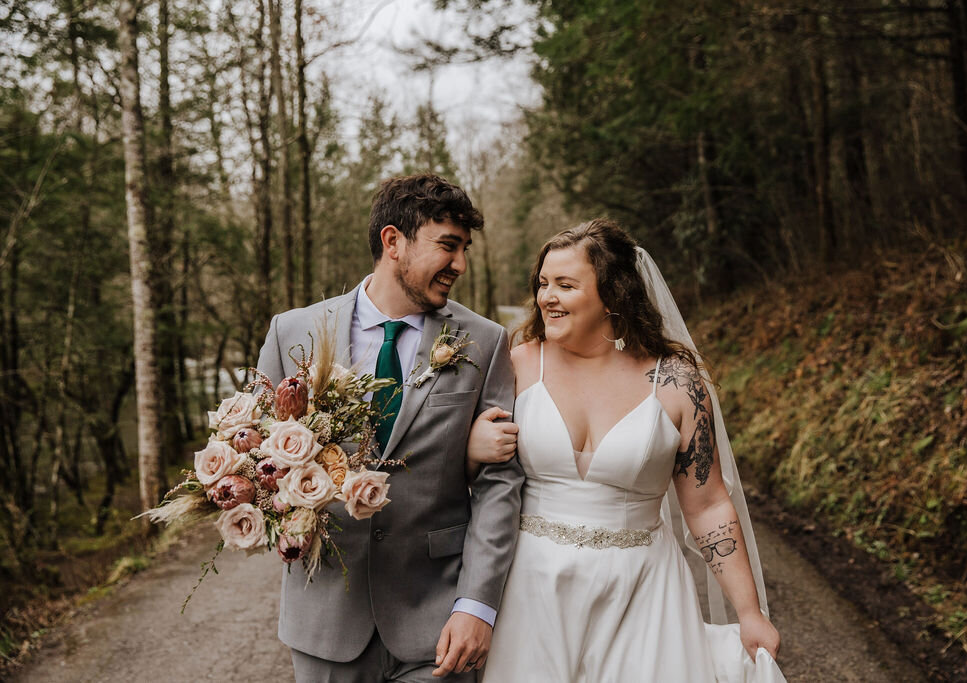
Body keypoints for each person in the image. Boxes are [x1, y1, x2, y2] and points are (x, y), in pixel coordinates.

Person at [468, 218, 785, 681]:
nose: (546, 297)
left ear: (613, 294)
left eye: (565, 284)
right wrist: (472, 449)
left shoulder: (676, 382)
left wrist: (750, 611)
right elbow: (460, 478)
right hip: (530, 588)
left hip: (642, 588)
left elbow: (709, 503)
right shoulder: (518, 365)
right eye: (543, 283)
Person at [257, 174, 524, 682]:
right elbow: (258, 457)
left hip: (439, 620)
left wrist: (478, 606)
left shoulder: (485, 342)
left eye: (465, 248)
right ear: (393, 241)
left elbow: (501, 483)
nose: (460, 265)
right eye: (448, 246)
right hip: (326, 619)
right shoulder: (291, 332)